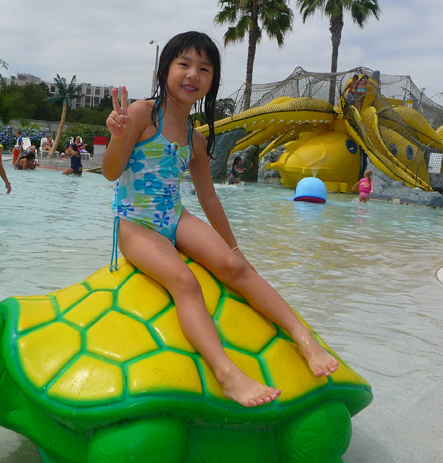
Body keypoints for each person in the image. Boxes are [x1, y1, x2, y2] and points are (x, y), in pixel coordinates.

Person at [102, 31, 338, 408]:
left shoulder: (195, 139)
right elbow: (110, 174)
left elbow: (209, 198)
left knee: (235, 267)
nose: (192, 74)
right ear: (165, 70)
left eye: (204, 68)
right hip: (134, 223)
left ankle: (302, 336)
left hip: (174, 215)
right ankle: (227, 375)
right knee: (185, 281)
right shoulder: (141, 114)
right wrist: (118, 136)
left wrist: (235, 248)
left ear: (212, 81)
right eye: (184, 64)